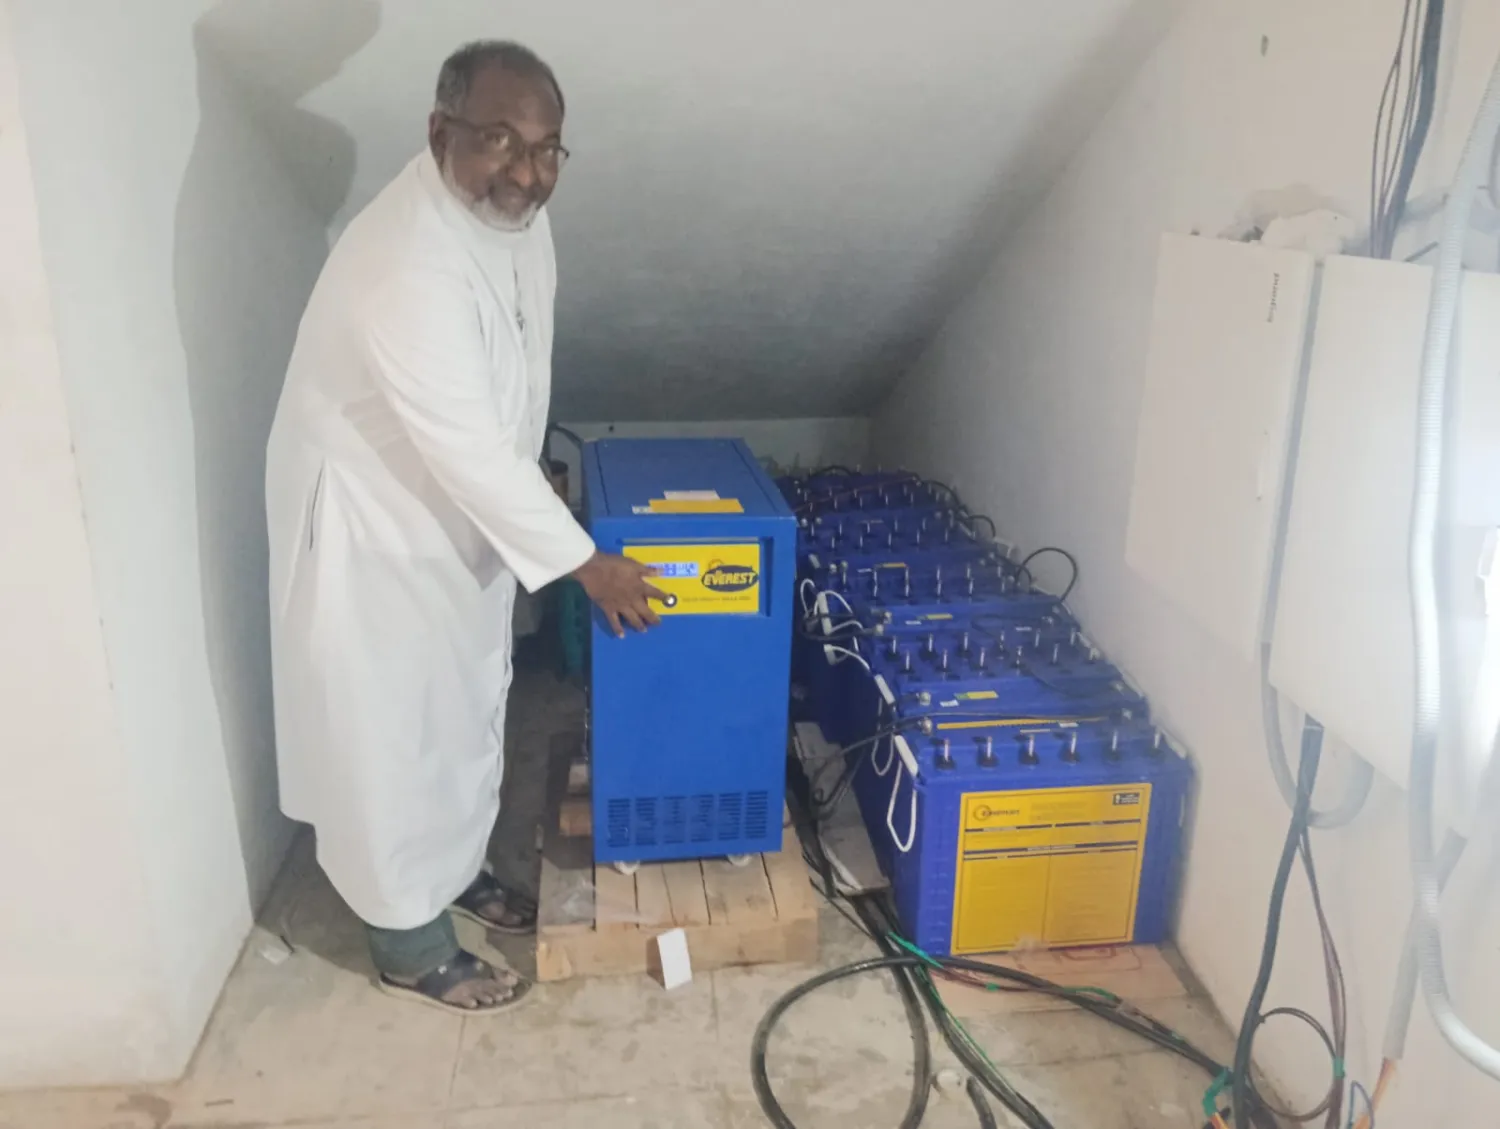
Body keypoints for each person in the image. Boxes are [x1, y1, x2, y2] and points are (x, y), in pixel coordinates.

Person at [265, 40, 664, 1014]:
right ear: (440, 131)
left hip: (450, 508)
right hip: (374, 527)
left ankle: (451, 870)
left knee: (464, 704)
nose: (526, 173)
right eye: (498, 141)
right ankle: (408, 939)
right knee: (392, 730)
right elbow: (466, 444)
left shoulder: (514, 220)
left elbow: (517, 367)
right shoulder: (406, 264)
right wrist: (586, 562)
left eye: (547, 148)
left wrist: (531, 485)